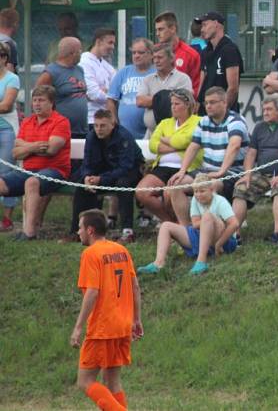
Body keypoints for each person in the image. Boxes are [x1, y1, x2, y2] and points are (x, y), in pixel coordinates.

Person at [71, 209, 142, 411]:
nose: (78, 232)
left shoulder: (91, 254)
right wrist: (136, 319)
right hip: (122, 324)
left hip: (102, 327)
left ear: (90, 230)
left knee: (85, 381)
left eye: (80, 227)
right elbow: (135, 286)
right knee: (112, 381)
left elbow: (92, 292)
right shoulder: (121, 250)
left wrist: (78, 327)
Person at [167, 86, 249, 225]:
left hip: (232, 172)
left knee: (210, 186)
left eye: (212, 102)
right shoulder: (203, 121)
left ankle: (215, 228)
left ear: (224, 103)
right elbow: (193, 147)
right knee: (175, 186)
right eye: (206, 103)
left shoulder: (236, 121)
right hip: (206, 170)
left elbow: (234, 145)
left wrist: (222, 171)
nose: (208, 106)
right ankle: (189, 230)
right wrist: (182, 171)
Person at [232, 94, 278, 245]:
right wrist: (247, 175)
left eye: (269, 109)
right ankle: (235, 235)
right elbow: (251, 154)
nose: (265, 113)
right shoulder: (259, 127)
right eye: (264, 109)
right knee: (240, 189)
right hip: (263, 173)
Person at [0, 85, 70, 240]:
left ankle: (29, 233)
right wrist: (34, 146)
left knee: (32, 183)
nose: (37, 104)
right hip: (27, 170)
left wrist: (25, 147)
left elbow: (51, 149)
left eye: (41, 100)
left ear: (51, 103)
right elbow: (16, 152)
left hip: (55, 171)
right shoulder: (27, 121)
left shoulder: (61, 122)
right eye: (35, 100)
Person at [137, 173, 239, 276]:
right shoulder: (196, 199)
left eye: (202, 191)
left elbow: (234, 224)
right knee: (166, 225)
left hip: (224, 241)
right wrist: (205, 223)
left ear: (211, 190)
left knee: (207, 216)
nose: (198, 195)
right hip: (201, 235)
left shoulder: (220, 201)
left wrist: (219, 243)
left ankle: (201, 261)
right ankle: (158, 263)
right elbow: (195, 224)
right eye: (196, 191)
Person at [70, 109, 144, 242]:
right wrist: (87, 177)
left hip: (132, 171)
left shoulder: (123, 137)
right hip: (107, 171)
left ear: (113, 124)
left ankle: (128, 232)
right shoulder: (91, 136)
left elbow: (125, 167)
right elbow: (87, 162)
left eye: (103, 126)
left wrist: (101, 179)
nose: (99, 129)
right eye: (96, 125)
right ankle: (77, 231)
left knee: (123, 185)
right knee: (82, 185)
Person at [136, 89, 202, 225]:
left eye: (177, 104)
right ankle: (171, 222)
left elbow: (186, 140)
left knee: (168, 193)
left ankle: (179, 225)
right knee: (141, 191)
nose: (173, 107)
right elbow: (153, 145)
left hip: (187, 168)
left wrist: (169, 140)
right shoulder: (165, 122)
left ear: (188, 104)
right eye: (172, 104)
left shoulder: (199, 121)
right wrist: (179, 145)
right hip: (163, 167)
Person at [36, 37, 88, 138]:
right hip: (60, 130)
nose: (81, 53)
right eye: (80, 50)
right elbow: (38, 99)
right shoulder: (51, 72)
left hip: (82, 130)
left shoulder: (79, 70)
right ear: (72, 53)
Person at [136, 42, 192, 133]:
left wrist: (152, 101)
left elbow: (184, 102)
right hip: (151, 133)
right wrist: (166, 99)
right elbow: (140, 101)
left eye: (160, 57)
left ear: (171, 59)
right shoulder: (148, 79)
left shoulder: (183, 78)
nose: (156, 61)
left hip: (176, 133)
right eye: (154, 58)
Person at [195, 11, 244, 114]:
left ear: (216, 24)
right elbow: (202, 82)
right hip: (205, 112)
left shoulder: (229, 49)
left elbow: (233, 88)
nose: (202, 29)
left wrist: (223, 113)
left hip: (223, 113)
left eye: (205, 25)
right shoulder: (205, 51)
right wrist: (197, 107)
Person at [106, 38, 154, 139]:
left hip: (150, 133)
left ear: (151, 54)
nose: (136, 56)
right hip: (124, 133)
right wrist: (114, 121)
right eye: (134, 52)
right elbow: (111, 100)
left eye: (141, 52)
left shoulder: (156, 73)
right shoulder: (123, 72)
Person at [154, 11, 201, 98]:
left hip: (182, 106)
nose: (157, 34)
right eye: (156, 30)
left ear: (173, 29)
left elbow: (196, 86)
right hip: (155, 107)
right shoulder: (153, 53)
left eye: (161, 29)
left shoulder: (191, 55)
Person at [80, 28, 117, 129]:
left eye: (113, 43)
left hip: (107, 120)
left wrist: (107, 92)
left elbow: (119, 89)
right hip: (92, 121)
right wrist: (111, 95)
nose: (112, 47)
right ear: (98, 42)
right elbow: (94, 94)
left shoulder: (106, 65)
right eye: (110, 43)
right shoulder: (85, 62)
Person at [0, 42, 19, 230]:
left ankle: (7, 217)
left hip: (7, 129)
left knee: (6, 172)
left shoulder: (11, 79)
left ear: (4, 58)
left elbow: (6, 105)